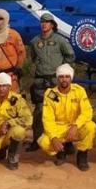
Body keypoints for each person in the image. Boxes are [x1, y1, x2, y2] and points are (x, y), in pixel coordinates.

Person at [28, 12, 75, 151]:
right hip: (41, 81)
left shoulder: (60, 40)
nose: (44, 24)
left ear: (53, 25)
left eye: (47, 22)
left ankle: (67, 142)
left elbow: (70, 55)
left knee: (62, 112)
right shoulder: (35, 41)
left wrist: (62, 71)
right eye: (42, 22)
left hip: (56, 81)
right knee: (39, 111)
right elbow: (33, 58)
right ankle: (36, 140)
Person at [38, 64, 96, 171]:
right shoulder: (50, 94)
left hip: (75, 127)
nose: (64, 79)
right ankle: (61, 152)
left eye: (67, 76)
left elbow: (87, 111)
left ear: (71, 78)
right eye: (61, 77)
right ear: (57, 78)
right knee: (44, 143)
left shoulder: (79, 91)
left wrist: (76, 125)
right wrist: (54, 138)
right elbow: (48, 119)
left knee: (91, 126)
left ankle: (82, 155)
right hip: (59, 128)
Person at [0, 8, 26, 92]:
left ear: (6, 20)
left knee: (10, 103)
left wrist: (18, 68)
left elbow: (21, 53)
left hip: (10, 76)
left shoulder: (14, 35)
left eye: (0, 18)